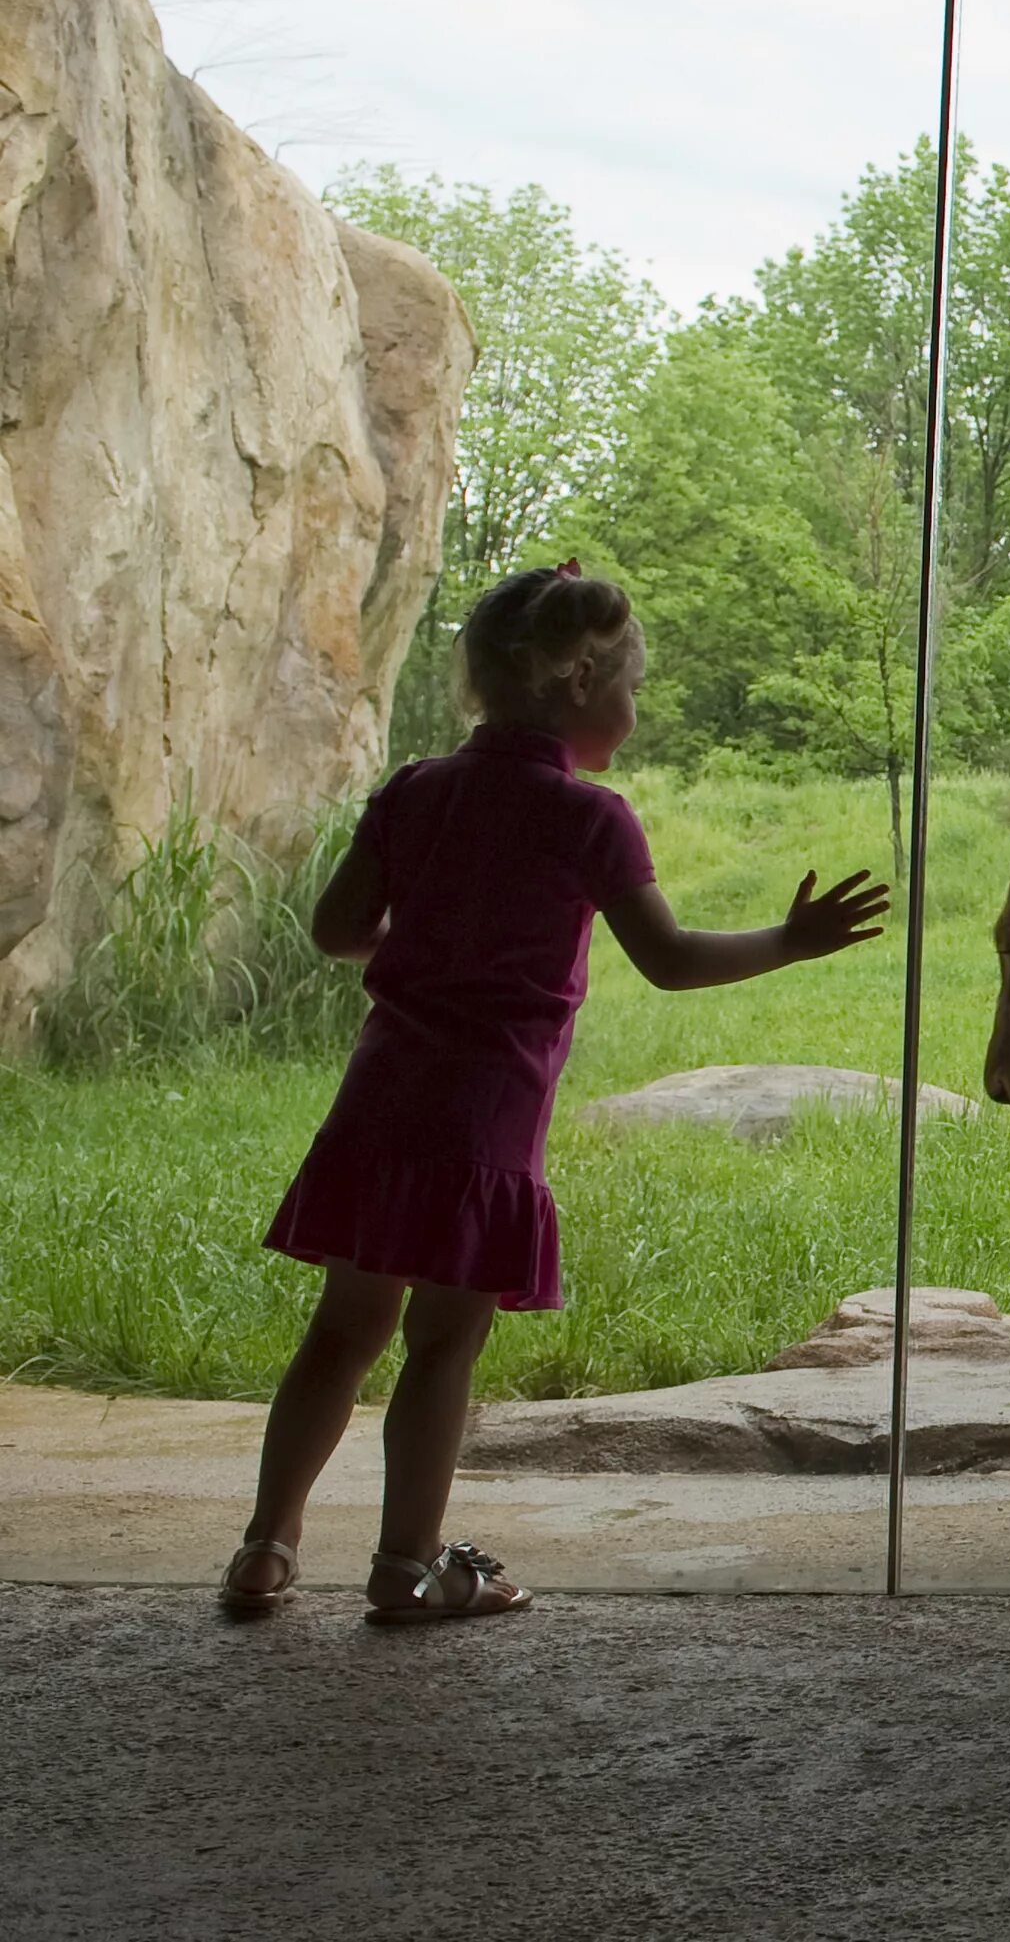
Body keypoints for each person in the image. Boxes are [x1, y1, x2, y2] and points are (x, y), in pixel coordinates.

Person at [219, 564, 888, 1623]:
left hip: (379, 1098)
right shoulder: (592, 819)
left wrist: (428, 944)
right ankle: (407, 1563)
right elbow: (667, 957)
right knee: (444, 1340)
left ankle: (265, 1545)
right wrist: (792, 940)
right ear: (578, 683)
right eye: (630, 685)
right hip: (485, 1116)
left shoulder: (412, 791)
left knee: (341, 1329)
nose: (636, 708)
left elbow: (339, 929)